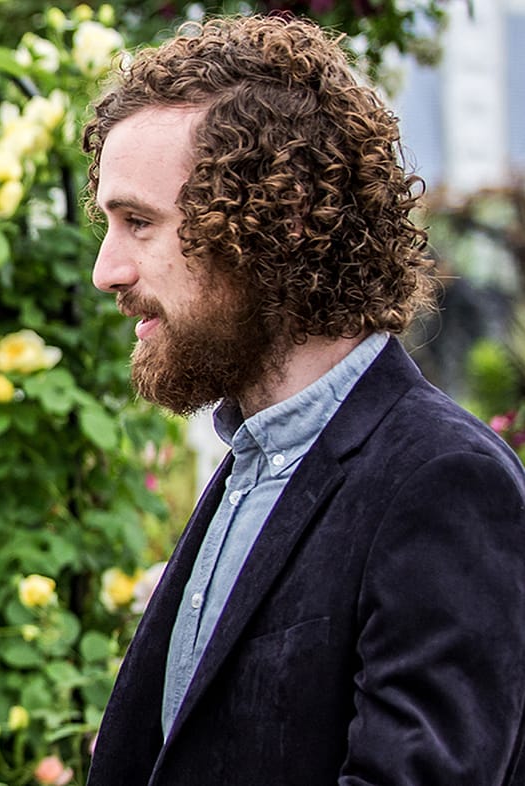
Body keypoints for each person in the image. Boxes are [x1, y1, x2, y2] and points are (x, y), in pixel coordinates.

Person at [83, 15, 525, 785]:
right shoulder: (255, 463)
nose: (106, 270)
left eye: (139, 223)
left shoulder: (443, 483)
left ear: (274, 221)